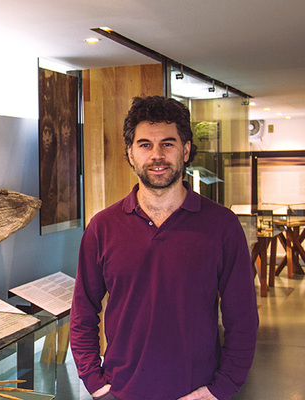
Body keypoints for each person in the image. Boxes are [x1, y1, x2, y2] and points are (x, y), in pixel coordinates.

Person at [69, 96, 258, 400]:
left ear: (185, 150)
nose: (157, 155)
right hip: (120, 392)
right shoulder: (102, 227)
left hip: (198, 391)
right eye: (145, 145)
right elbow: (82, 312)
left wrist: (221, 388)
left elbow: (243, 317)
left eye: (167, 144)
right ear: (130, 154)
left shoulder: (222, 225)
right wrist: (94, 381)